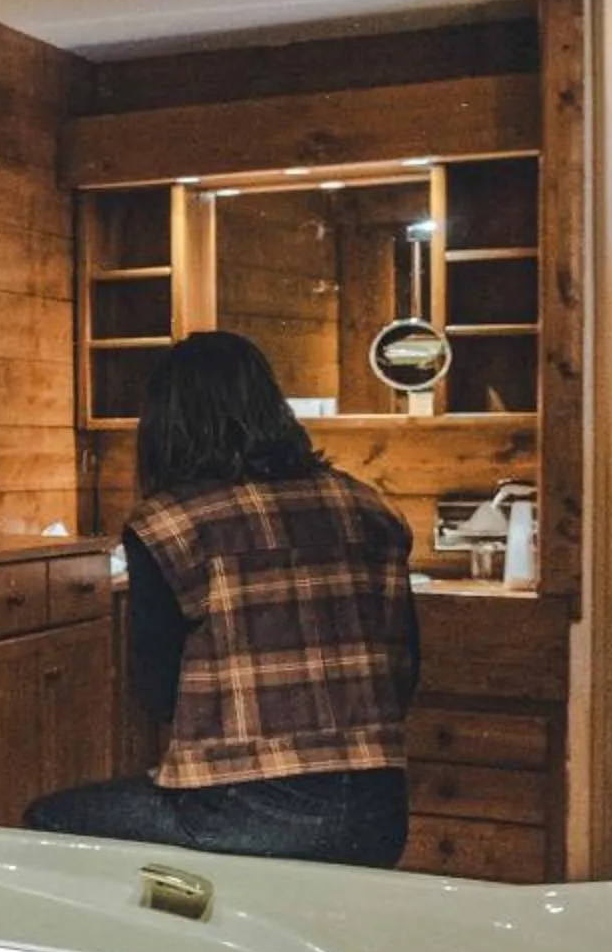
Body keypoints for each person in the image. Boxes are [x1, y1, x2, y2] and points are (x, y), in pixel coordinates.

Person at [24, 329, 417, 866]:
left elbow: (158, 690)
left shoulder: (169, 525)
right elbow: (404, 671)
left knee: (49, 821)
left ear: (166, 426)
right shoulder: (367, 508)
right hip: (379, 812)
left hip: (242, 812)